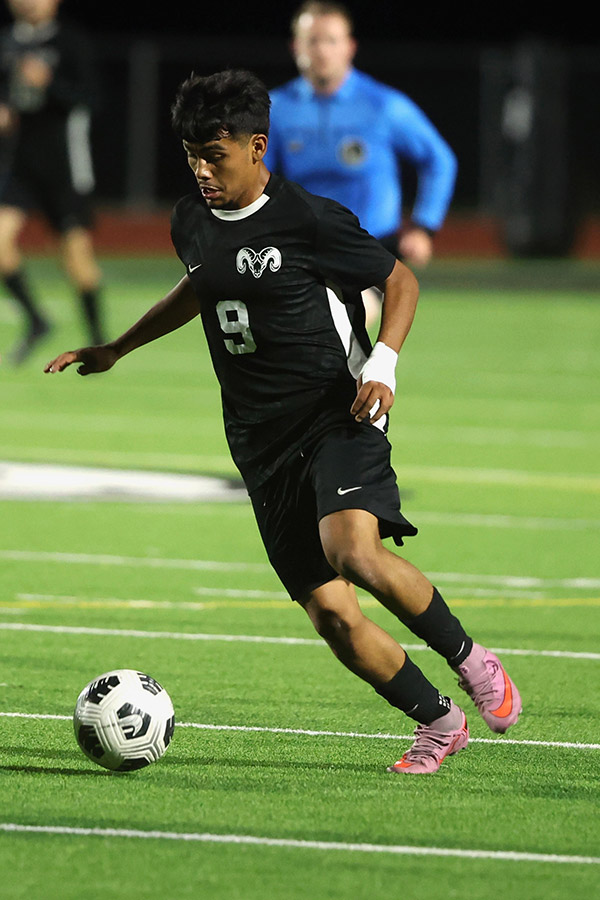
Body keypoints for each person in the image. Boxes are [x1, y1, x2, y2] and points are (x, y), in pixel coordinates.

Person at [44, 69, 521, 775]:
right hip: (259, 444)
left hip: (338, 410)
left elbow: (400, 281)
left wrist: (383, 362)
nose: (202, 170)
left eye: (216, 154)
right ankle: (439, 724)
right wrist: (118, 347)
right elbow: (202, 286)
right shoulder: (190, 220)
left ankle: (475, 662)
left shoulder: (307, 218)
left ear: (257, 145)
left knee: (353, 553)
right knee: (332, 614)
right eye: (191, 156)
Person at [265, 1, 457, 324]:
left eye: (332, 40)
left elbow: (439, 159)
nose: (322, 51)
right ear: (295, 47)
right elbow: (257, 175)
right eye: (312, 40)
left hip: (371, 248)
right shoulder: (276, 109)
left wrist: (424, 226)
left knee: (342, 317)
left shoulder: (382, 105)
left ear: (350, 47)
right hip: (306, 247)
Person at [0, 0, 104, 364]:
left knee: (76, 260)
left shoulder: (71, 41)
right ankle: (36, 320)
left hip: (63, 166)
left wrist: (50, 84)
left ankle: (99, 342)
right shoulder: (8, 41)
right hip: (20, 166)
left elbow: (90, 98)